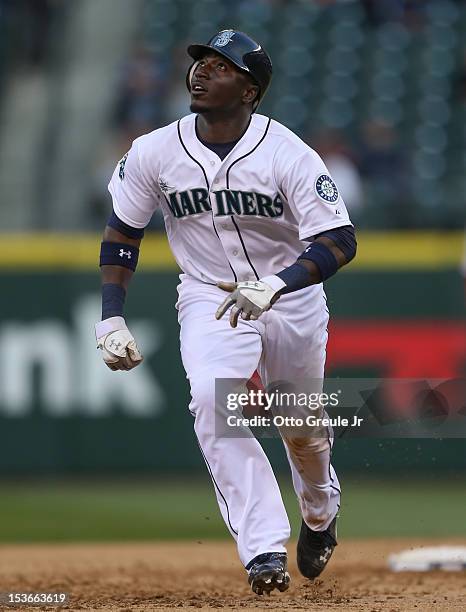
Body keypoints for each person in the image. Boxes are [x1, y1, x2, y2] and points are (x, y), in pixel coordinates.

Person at [95, 30, 357, 596]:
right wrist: (111, 315)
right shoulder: (154, 150)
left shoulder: (287, 152)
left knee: (300, 429)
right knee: (216, 402)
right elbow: (121, 234)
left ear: (250, 90)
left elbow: (339, 240)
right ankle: (263, 546)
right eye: (201, 63)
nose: (202, 72)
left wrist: (279, 283)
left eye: (221, 66)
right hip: (208, 295)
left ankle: (319, 513)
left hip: (291, 299)